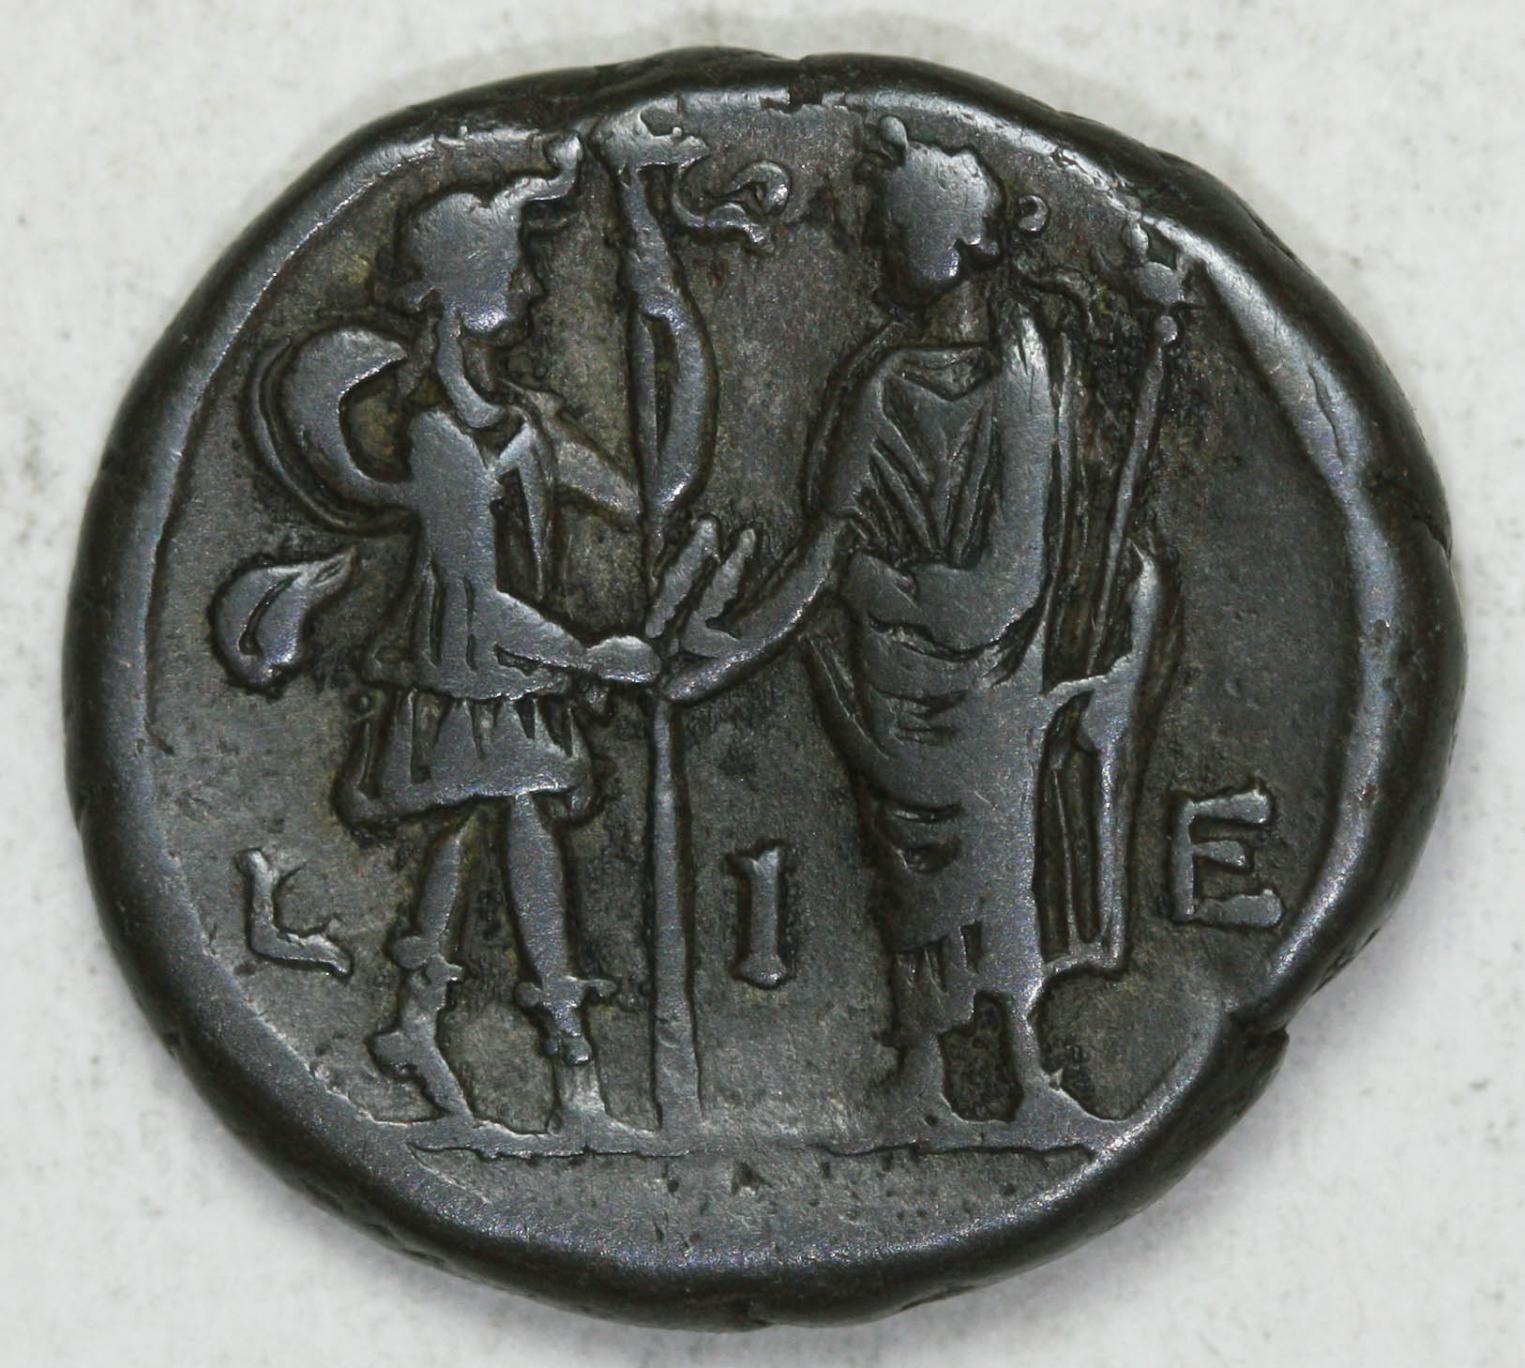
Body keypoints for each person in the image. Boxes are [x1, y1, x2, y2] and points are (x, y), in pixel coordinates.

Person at [667, 116, 1161, 1138]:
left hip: (992, 682)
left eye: (897, 230)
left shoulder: (1026, 375)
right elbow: (826, 547)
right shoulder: (884, 380)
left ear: (960, 241)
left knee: (1001, 865)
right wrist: (732, 647)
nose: (876, 247)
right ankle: (923, 1074)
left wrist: (890, 592)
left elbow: (1003, 583)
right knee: (910, 877)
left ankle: (1023, 1071)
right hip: (894, 683)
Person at [262, 132, 674, 1129]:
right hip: (470, 669)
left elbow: (644, 497)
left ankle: (424, 1019)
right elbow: (476, 597)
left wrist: (666, 327)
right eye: (510, 270)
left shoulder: (518, 422)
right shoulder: (439, 440)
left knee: (475, 836)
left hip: (508, 672)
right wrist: (590, 654)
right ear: (458, 292)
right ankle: (563, 1057)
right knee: (511, 828)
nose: (528, 290)